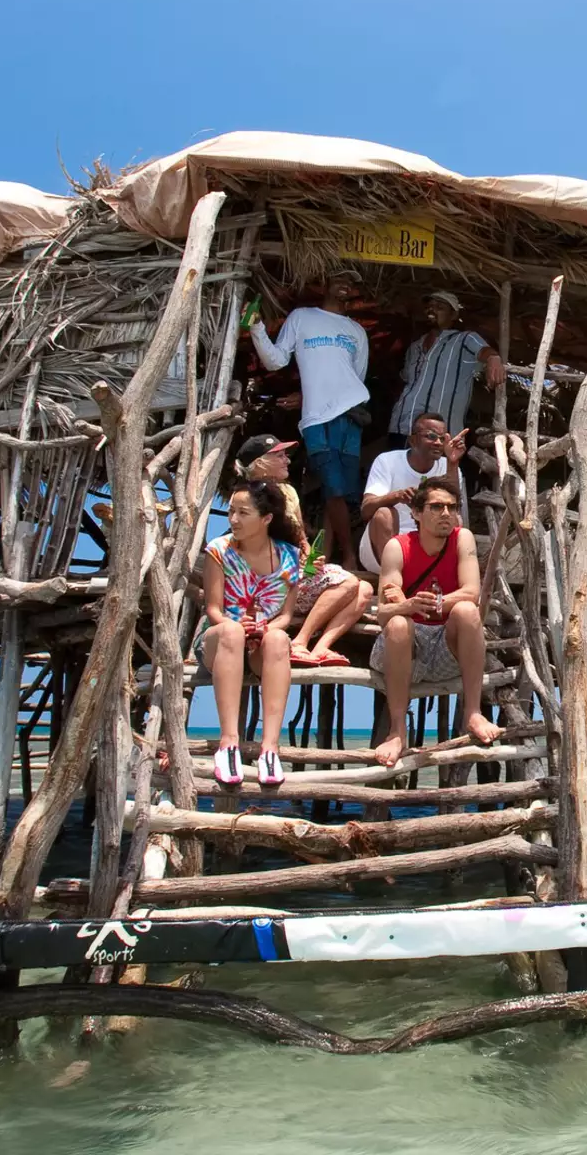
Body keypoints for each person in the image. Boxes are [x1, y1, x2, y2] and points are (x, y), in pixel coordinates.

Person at [369, 474, 500, 765]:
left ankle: (473, 713)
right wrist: (411, 605)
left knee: (467, 611)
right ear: (416, 513)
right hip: (404, 649)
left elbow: (472, 593)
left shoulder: (461, 538)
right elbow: (384, 612)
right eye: (437, 507)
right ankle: (397, 730)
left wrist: (436, 603)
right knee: (400, 623)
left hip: (446, 647)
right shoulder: (397, 546)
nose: (446, 514)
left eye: (452, 508)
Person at [250, 268, 370, 569]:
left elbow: (355, 378)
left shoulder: (356, 330)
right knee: (333, 486)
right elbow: (276, 359)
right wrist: (256, 329)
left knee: (340, 489)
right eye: (339, 279)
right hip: (316, 417)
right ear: (325, 284)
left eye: (350, 282)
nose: (344, 285)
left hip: (350, 412)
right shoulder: (301, 317)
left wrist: (310, 394)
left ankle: (327, 556)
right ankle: (350, 555)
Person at [232, 434, 372, 666]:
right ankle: (300, 641)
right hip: (271, 585)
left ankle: (320, 648)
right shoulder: (246, 499)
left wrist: (310, 557)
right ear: (260, 463)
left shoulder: (288, 493)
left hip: (297, 576)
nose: (286, 460)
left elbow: (300, 538)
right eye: (278, 455)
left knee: (365, 588)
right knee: (347, 582)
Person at [199, 482, 304, 788]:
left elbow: (285, 615)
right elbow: (213, 610)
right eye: (231, 511)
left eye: (243, 513)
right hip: (220, 641)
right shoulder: (218, 550)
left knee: (278, 638)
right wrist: (237, 625)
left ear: (266, 518)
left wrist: (267, 628)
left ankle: (270, 747)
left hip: (262, 647)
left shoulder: (290, 556)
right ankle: (228, 742)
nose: (233, 519)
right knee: (231, 630)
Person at [386, 290, 506, 440]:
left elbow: (484, 351)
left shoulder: (464, 340)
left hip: (442, 434)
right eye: (429, 306)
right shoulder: (415, 347)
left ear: (454, 315)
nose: (432, 309)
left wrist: (493, 358)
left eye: (439, 307)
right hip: (403, 426)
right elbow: (406, 379)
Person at [357, 412, 468, 573]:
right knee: (383, 514)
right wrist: (396, 496)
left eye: (442, 438)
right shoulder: (387, 461)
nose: (438, 442)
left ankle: (436, 573)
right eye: (430, 436)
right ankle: (395, 578)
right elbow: (366, 510)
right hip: (385, 549)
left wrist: (452, 463)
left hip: (428, 542)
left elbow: (454, 506)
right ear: (413, 440)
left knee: (454, 519)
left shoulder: (450, 465)